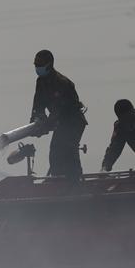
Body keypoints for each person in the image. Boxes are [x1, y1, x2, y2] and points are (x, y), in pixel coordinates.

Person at [30, 49, 87, 178]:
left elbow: (59, 110)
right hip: (61, 123)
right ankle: (58, 180)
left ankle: (74, 182)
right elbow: (38, 105)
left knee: (67, 150)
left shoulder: (62, 82)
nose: (37, 68)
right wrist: (35, 122)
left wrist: (46, 125)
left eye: (40, 65)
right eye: (36, 65)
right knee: (55, 152)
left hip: (73, 122)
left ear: (49, 65)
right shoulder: (40, 82)